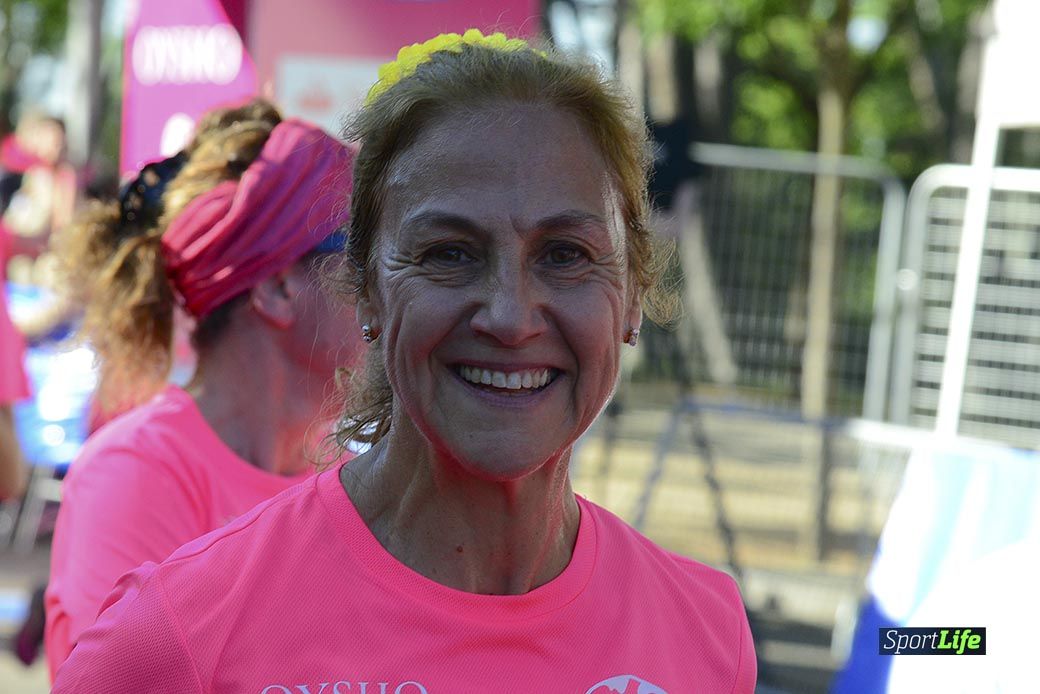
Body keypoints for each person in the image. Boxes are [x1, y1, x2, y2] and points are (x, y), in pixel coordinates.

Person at [53, 32, 756, 692]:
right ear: (368, 292)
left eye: (565, 255)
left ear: (632, 294)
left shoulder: (706, 633)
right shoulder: (181, 632)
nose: (510, 317)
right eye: (448, 253)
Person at [45, 99, 361, 678]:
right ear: (278, 288)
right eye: (358, 250)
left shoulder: (346, 474)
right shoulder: (136, 474)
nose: (389, 282)